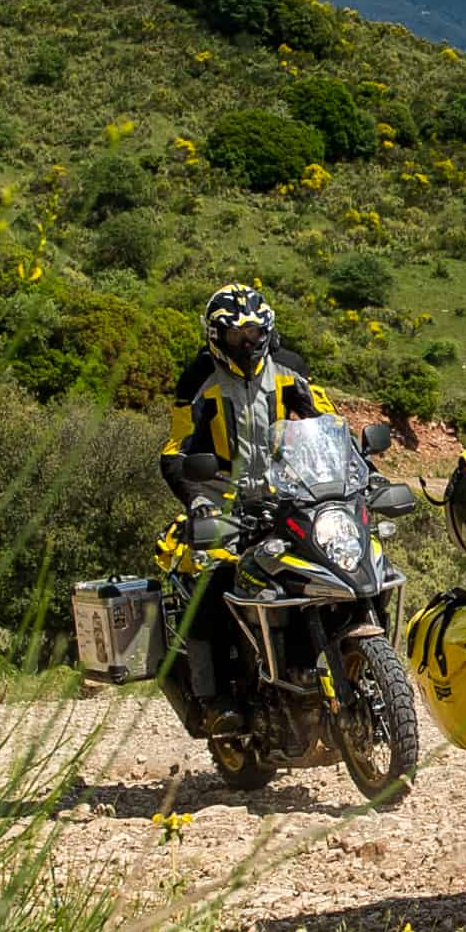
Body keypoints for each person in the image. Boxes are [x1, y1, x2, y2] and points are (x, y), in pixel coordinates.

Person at [161, 285, 335, 715]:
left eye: (256, 333)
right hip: (224, 505)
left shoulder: (289, 368)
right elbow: (174, 452)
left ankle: (321, 668)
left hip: (286, 498)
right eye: (239, 336)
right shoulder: (197, 379)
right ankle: (218, 703)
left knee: (330, 567)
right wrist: (196, 501)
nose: (250, 342)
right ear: (216, 336)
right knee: (213, 587)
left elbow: (327, 420)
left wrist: (358, 467)